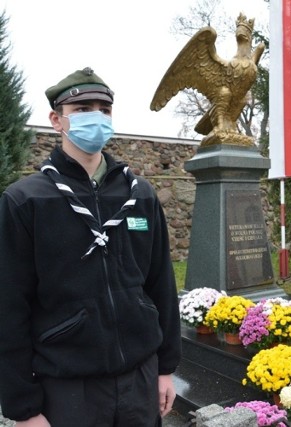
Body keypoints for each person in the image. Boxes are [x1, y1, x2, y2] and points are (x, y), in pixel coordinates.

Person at [0, 67, 182, 426]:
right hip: (68, 387)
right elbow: (8, 307)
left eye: (104, 108)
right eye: (82, 109)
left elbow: (161, 285)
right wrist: (24, 408)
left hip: (140, 380)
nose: (96, 117)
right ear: (57, 120)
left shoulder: (140, 195)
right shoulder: (26, 201)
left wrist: (166, 369)